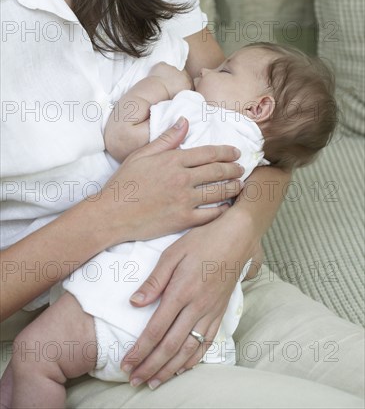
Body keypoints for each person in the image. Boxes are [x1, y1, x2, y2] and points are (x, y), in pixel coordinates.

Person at [0, 0, 363, 408]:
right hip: (73, 332)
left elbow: (265, 140)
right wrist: (117, 212)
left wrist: (234, 233)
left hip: (223, 291)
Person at [2, 41, 338, 408]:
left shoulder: (196, 116)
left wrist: (161, 83)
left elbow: (121, 135)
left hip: (126, 300)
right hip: (195, 328)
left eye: (224, 71)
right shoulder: (254, 166)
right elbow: (252, 260)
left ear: (258, 107)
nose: (204, 72)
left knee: (35, 357)